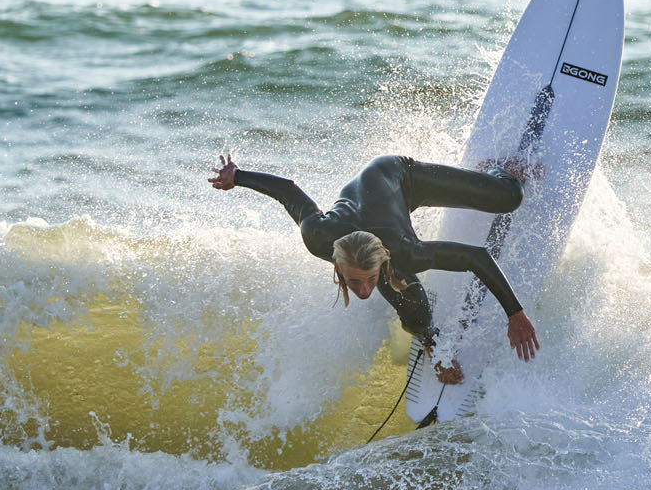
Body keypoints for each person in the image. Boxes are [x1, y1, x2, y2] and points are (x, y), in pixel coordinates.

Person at [209, 152, 538, 383]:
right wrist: (236, 177)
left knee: (509, 198)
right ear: (337, 263)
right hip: (371, 222)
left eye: (368, 280)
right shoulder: (317, 234)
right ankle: (431, 342)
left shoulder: (408, 252)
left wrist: (515, 315)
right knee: (414, 312)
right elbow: (287, 191)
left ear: (380, 261)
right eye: (355, 282)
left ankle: (496, 169)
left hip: (399, 178)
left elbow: (475, 257)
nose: (364, 291)